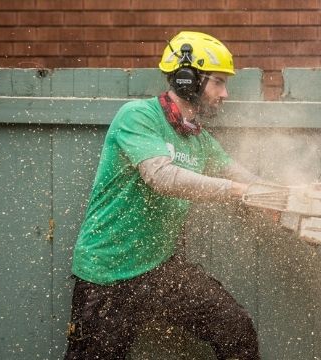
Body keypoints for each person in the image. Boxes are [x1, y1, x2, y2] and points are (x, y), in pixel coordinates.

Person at [64, 31, 263, 360]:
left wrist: (284, 195)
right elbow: (162, 176)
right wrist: (237, 192)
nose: (225, 93)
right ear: (187, 79)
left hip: (159, 269)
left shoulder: (198, 139)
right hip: (108, 274)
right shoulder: (138, 116)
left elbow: (239, 174)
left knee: (235, 327)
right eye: (218, 82)